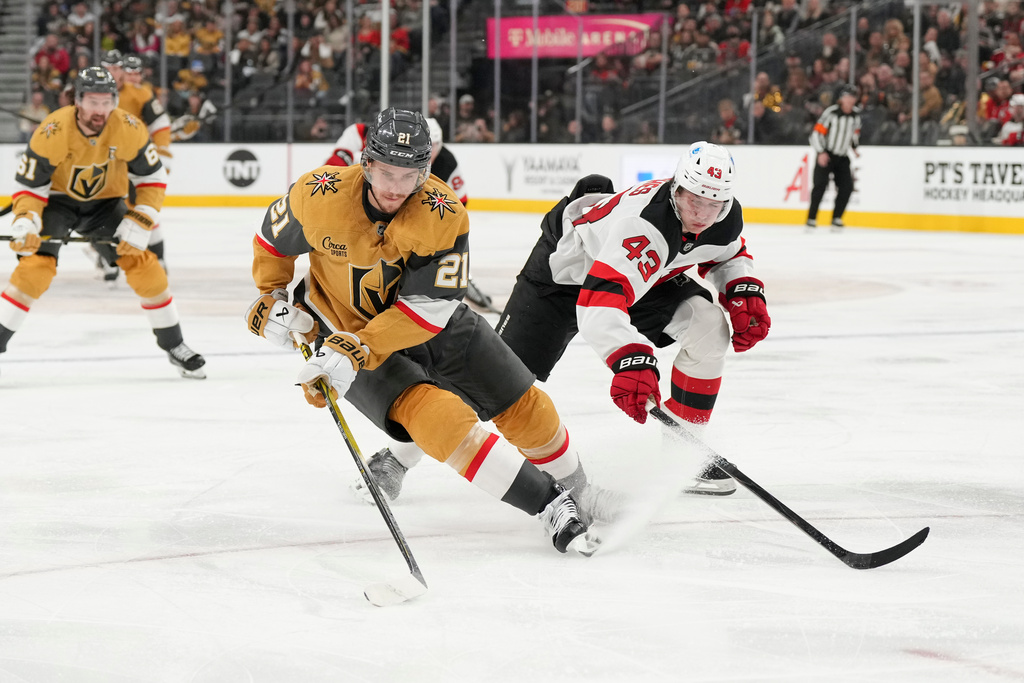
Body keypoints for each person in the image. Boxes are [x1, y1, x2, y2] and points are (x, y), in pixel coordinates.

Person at [245, 108, 606, 552]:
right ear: (367, 162)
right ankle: (550, 504)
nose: (396, 188)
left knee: (523, 403)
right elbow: (271, 240)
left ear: (426, 170)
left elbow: (428, 308)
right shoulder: (318, 193)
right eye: (387, 173)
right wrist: (272, 294)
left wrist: (360, 346)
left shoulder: (444, 212)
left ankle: (579, 488)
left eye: (410, 175)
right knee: (439, 419)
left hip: (424, 323)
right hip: (342, 330)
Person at [370, 143, 771, 497]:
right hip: (561, 275)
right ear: (674, 187)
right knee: (491, 374)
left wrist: (743, 287)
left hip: (635, 276)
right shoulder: (644, 225)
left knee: (707, 326)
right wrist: (630, 358)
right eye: (691, 201)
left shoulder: (722, 217)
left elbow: (727, 253)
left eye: (712, 205)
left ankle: (684, 456)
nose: (700, 214)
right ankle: (396, 459)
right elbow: (599, 304)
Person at [0, 67, 206, 379]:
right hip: (57, 202)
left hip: (106, 204)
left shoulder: (128, 127)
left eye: (107, 101)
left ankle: (175, 345)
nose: (101, 110)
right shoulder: (53, 129)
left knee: (147, 267)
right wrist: (26, 220)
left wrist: (140, 220)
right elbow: (30, 186)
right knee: (34, 270)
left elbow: (152, 177)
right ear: (78, 100)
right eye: (93, 102)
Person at [324, 118, 495, 314]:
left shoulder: (447, 162)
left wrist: (443, 232)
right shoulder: (387, 153)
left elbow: (459, 203)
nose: (433, 153)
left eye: (437, 146)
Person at [101, 50, 174, 271]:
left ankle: (157, 259)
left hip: (133, 162)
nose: (114, 73)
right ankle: (108, 260)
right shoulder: (92, 95)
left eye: (117, 68)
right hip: (102, 164)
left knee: (143, 209)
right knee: (100, 212)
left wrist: (162, 152)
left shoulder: (140, 94)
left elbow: (160, 123)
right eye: (109, 68)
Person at [806, 84, 861, 231]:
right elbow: (816, 134)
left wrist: (854, 147)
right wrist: (821, 152)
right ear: (841, 98)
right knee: (819, 186)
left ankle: (837, 218)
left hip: (842, 156)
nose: (850, 100)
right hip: (827, 153)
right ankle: (811, 219)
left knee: (847, 187)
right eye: (847, 97)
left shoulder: (855, 115)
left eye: (853, 97)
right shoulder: (831, 113)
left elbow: (854, 133)